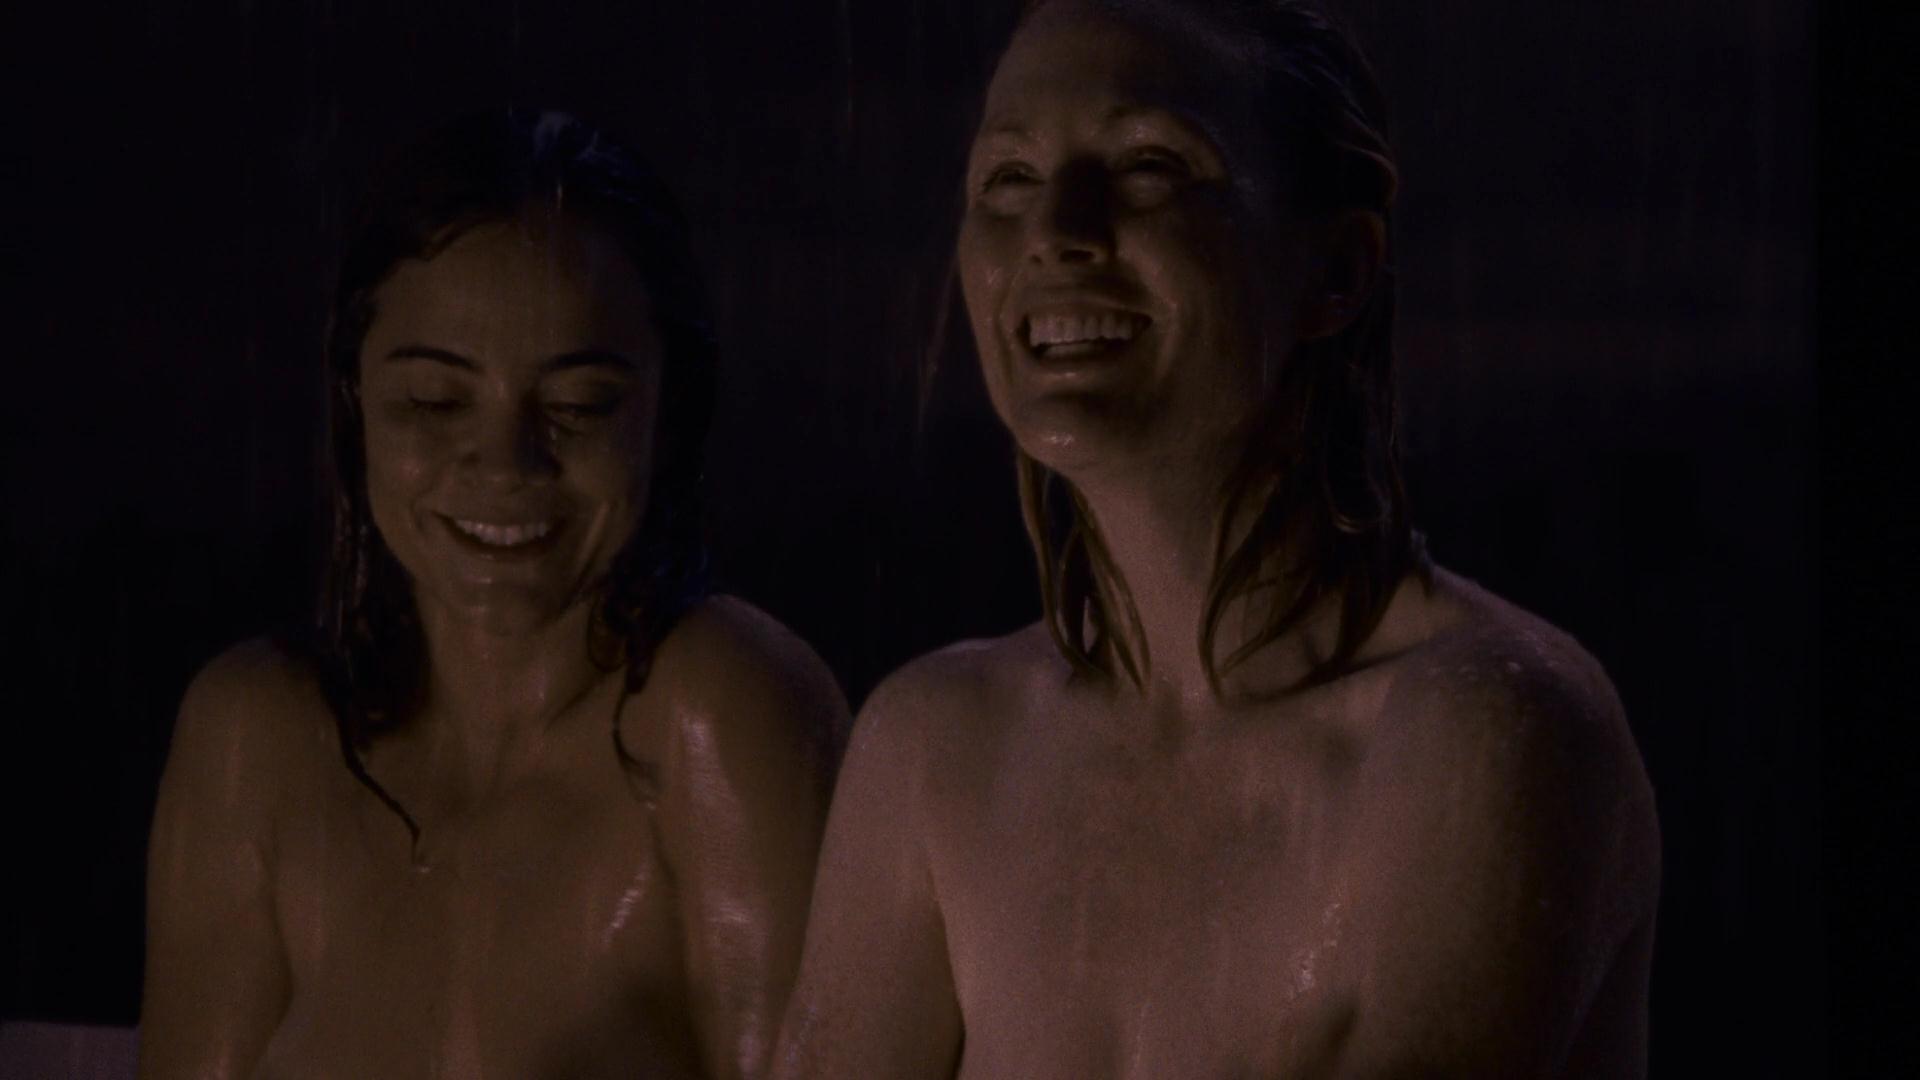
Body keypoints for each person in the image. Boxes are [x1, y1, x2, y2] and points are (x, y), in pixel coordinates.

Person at [774, 1, 1661, 1076]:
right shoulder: (934, 750)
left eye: (1151, 164)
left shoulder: (1481, 732)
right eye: (1007, 178)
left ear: (1336, 271)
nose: (1056, 228)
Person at [140, 110, 845, 1080]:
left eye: (578, 405)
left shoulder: (723, 712)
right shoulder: (256, 742)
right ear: (355, 399)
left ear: (668, 410)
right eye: (434, 400)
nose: (505, 464)